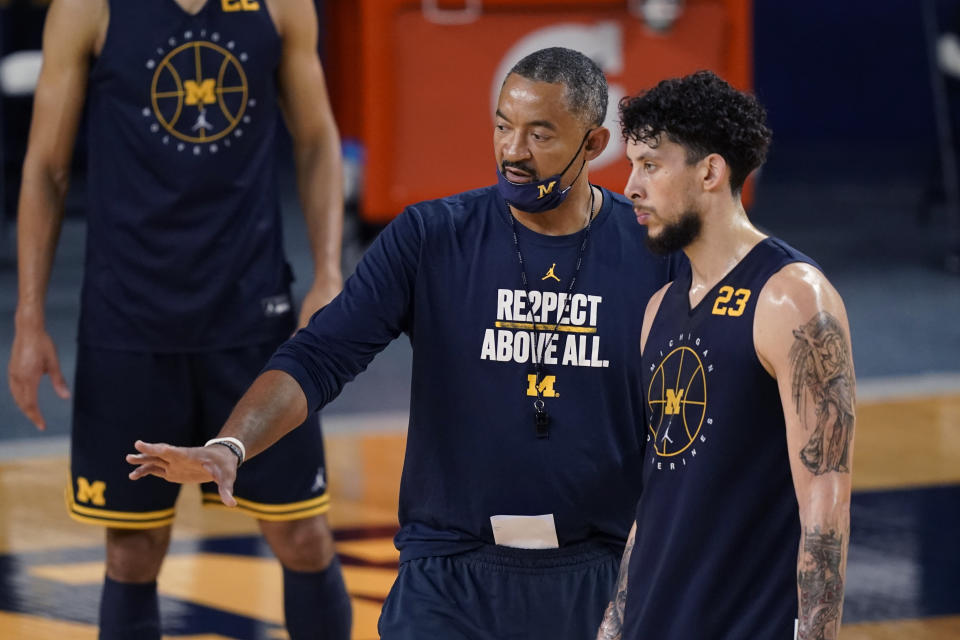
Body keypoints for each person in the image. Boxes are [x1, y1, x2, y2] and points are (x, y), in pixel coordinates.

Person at [125, 47, 682, 639]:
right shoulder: (431, 236)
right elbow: (318, 355)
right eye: (502, 127)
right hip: (447, 566)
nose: (513, 152)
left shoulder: (658, 254)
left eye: (540, 135)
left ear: (594, 145)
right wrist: (229, 446)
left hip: (603, 568)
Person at [7, 0, 350, 638]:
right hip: (128, 325)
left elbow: (318, 139)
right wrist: (29, 319)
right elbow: (45, 169)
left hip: (255, 320)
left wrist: (328, 270)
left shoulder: (282, 6)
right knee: (132, 554)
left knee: (303, 535)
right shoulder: (86, 9)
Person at [595, 70, 855, 639]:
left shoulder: (792, 297)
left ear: (710, 171)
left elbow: (825, 500)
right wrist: (615, 623)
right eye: (632, 165)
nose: (631, 186)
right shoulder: (658, 308)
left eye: (651, 165)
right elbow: (658, 491)